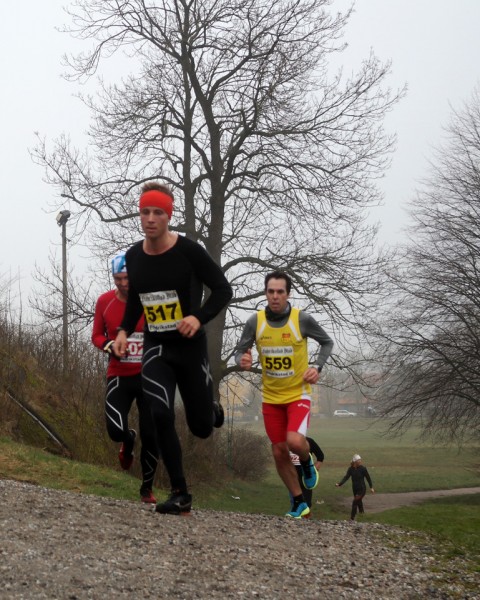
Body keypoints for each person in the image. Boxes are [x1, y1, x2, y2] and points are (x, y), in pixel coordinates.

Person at [113, 182, 232, 515]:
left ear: (169, 215)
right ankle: (180, 493)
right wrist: (124, 330)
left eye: (157, 212)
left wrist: (198, 316)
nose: (150, 219)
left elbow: (223, 290)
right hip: (157, 347)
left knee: (201, 428)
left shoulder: (189, 251)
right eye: (144, 212)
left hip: (190, 349)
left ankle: (211, 407)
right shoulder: (134, 255)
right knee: (160, 412)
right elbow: (137, 298)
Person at [234, 270, 333, 519]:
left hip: (298, 394)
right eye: (270, 291)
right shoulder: (254, 322)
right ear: (265, 293)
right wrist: (242, 359)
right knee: (278, 451)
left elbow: (327, 342)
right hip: (271, 398)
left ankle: (308, 462)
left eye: (280, 292)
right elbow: (239, 350)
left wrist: (317, 366)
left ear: (288, 294)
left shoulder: (302, 320)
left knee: (295, 442)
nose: (275, 296)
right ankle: (299, 502)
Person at [92, 252, 159, 504]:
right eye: (118, 278)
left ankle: (147, 488)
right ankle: (127, 440)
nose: (122, 283)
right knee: (114, 430)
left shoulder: (148, 301)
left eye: (127, 278)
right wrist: (108, 345)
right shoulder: (104, 302)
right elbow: (96, 335)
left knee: (151, 434)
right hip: (119, 375)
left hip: (148, 378)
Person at [289, 436, 324, 518]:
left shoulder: (309, 441)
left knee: (307, 502)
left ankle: (306, 522)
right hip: (292, 477)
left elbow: (320, 456)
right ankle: (295, 521)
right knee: (294, 501)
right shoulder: (288, 442)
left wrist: (315, 469)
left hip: (306, 477)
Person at [335, 454, 375, 520]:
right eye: (359, 460)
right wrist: (339, 484)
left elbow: (368, 478)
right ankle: (362, 515)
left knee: (355, 502)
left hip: (362, 489)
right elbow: (346, 477)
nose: (360, 461)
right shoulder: (350, 469)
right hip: (355, 489)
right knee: (359, 502)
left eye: (360, 460)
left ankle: (352, 518)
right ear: (355, 462)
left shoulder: (363, 469)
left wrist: (371, 487)